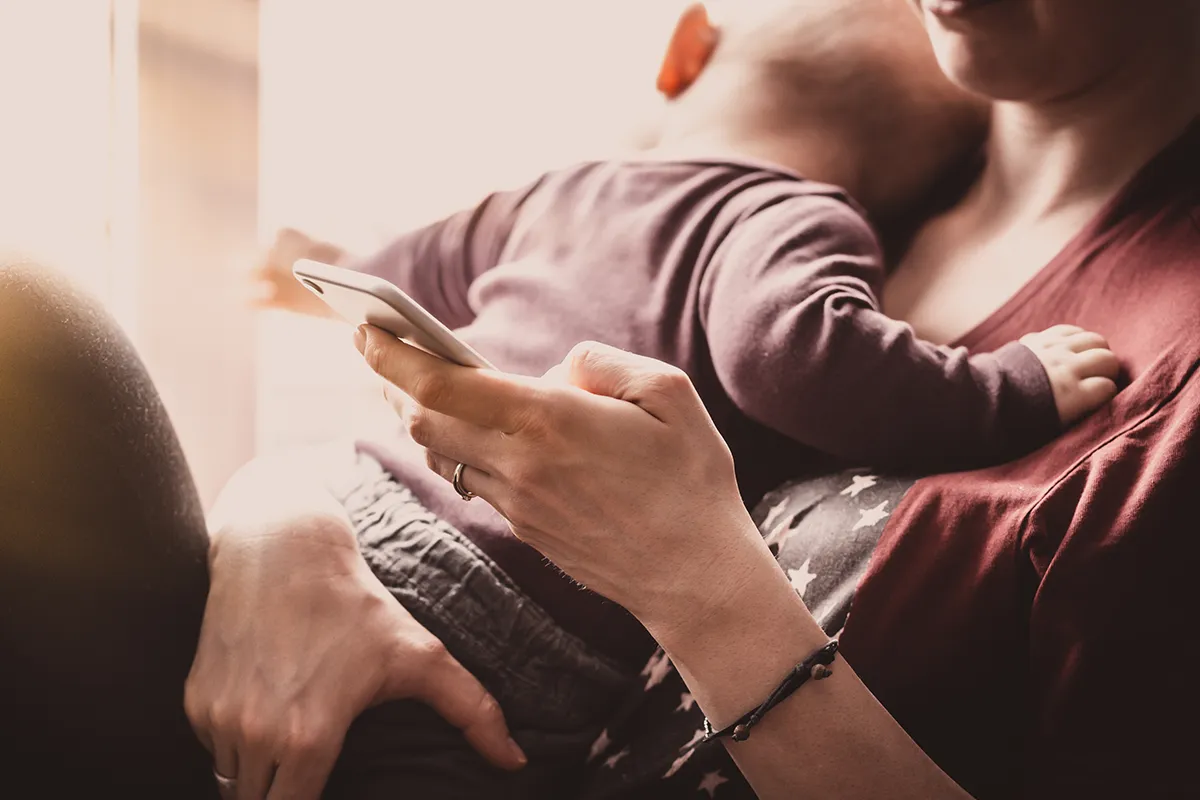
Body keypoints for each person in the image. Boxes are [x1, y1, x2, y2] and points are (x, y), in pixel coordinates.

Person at [0, 0, 1195, 798]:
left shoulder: (764, 216)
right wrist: (287, 521)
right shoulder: (821, 217)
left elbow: (415, 273)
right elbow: (436, 315)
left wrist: (695, 577)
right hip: (406, 615)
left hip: (497, 710)